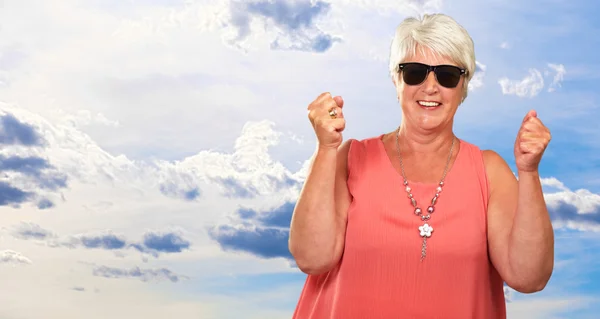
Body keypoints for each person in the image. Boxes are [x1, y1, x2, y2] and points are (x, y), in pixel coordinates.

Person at [288, 13, 554, 319]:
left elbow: (530, 277)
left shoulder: (489, 171)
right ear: (396, 79)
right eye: (415, 72)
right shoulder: (351, 158)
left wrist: (529, 172)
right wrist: (326, 148)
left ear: (463, 85)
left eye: (447, 75)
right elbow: (311, 257)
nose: (430, 87)